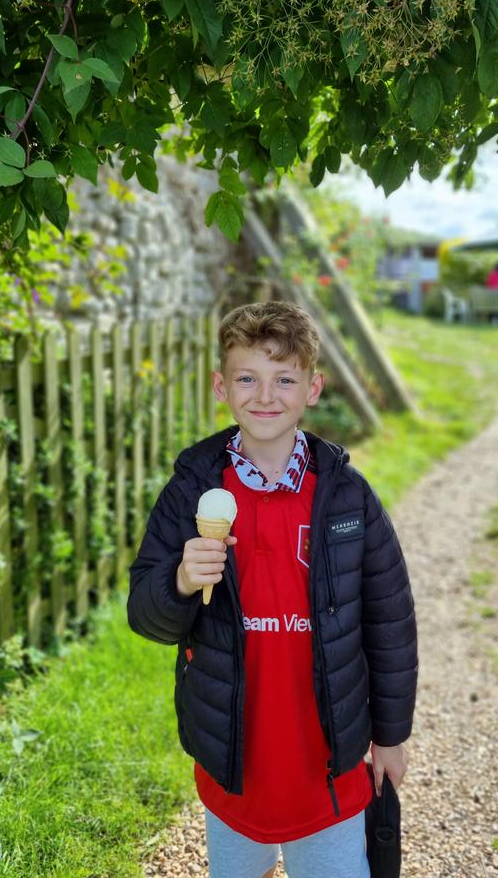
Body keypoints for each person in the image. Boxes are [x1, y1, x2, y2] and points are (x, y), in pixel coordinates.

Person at [127, 300, 418, 878]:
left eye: (284, 378)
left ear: (313, 387)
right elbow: (144, 612)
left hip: (325, 761)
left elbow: (389, 623)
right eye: (247, 378)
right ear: (221, 386)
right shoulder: (192, 491)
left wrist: (390, 736)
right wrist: (181, 581)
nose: (265, 395)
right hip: (234, 755)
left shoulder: (347, 496)